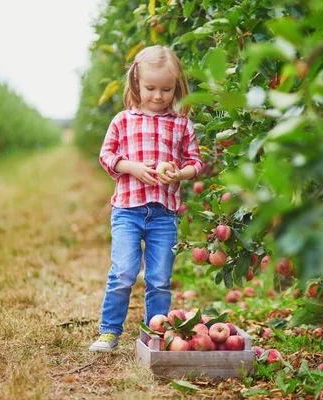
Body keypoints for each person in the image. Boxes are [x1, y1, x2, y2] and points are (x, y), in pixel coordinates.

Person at [90, 45, 203, 351]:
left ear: (176, 88)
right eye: (150, 88)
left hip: (164, 214)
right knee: (124, 272)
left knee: (159, 278)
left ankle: (155, 335)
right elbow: (106, 156)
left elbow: (196, 163)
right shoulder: (123, 120)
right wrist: (132, 168)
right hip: (128, 210)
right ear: (136, 85)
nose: (158, 96)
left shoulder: (181, 123)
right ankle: (109, 331)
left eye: (166, 89)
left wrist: (179, 174)